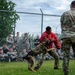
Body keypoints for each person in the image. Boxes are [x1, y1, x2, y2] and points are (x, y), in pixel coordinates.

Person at [60, 1, 75, 75]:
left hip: (66, 36)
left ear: (70, 6)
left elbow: (62, 25)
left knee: (66, 55)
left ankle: (65, 72)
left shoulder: (64, 14)